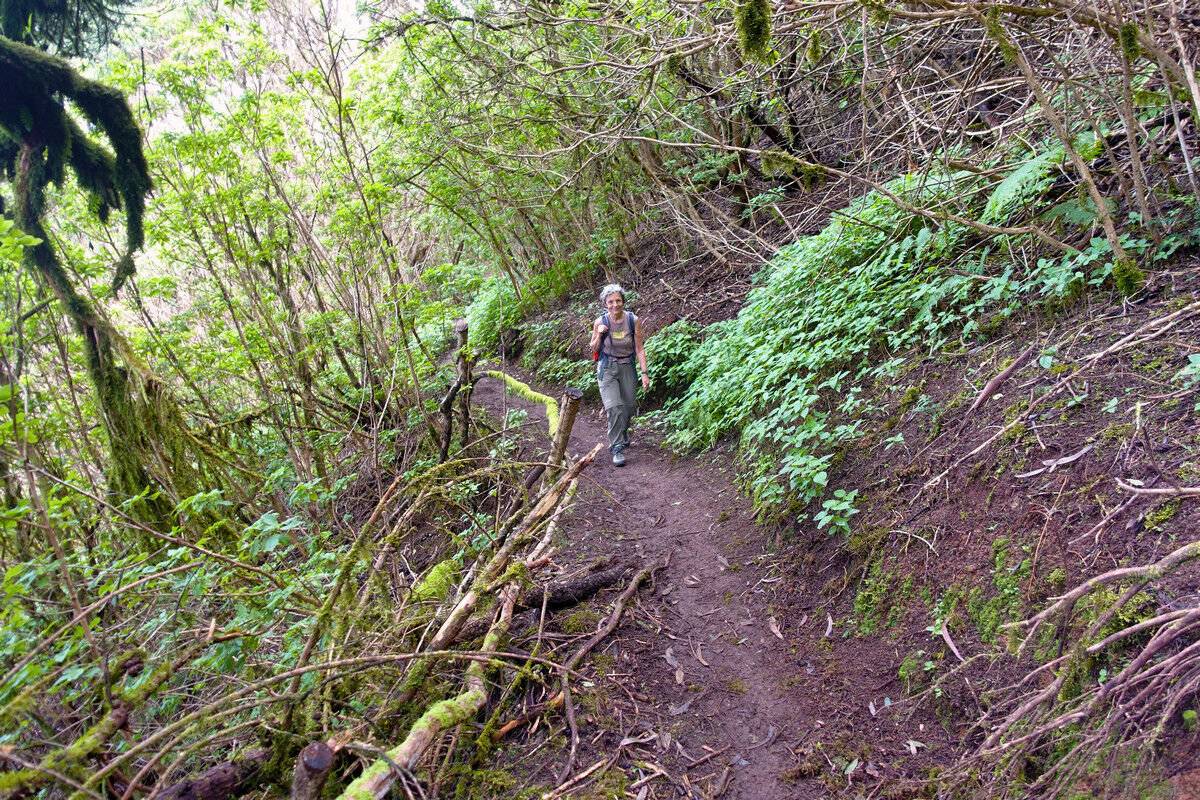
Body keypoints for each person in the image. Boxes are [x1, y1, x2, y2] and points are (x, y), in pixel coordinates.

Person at [589, 284, 649, 466]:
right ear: (605, 304)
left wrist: (644, 373)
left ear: (623, 301)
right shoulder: (600, 322)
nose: (615, 304)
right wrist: (599, 335)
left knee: (629, 406)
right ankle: (616, 447)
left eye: (618, 300)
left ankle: (623, 431)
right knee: (613, 407)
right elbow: (594, 348)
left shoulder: (633, 320)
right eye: (611, 302)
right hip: (607, 368)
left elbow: (639, 349)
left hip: (627, 366)